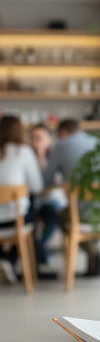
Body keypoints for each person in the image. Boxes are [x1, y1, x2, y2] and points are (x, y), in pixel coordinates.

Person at [43, 118, 100, 276]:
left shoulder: (61, 145)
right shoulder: (97, 142)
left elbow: (46, 179)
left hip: (81, 212)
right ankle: (94, 255)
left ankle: (91, 251)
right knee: (84, 214)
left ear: (62, 133)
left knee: (61, 216)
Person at [0, 114, 43, 283]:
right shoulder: (24, 152)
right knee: (33, 212)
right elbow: (37, 187)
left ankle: (5, 259)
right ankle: (12, 261)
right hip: (15, 220)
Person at [29, 123, 67, 269]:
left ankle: (40, 248)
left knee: (54, 213)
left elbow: (56, 182)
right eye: (32, 138)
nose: (35, 142)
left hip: (52, 200)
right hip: (33, 202)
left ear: (48, 139)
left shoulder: (55, 157)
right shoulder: (26, 157)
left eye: (39, 138)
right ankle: (39, 252)